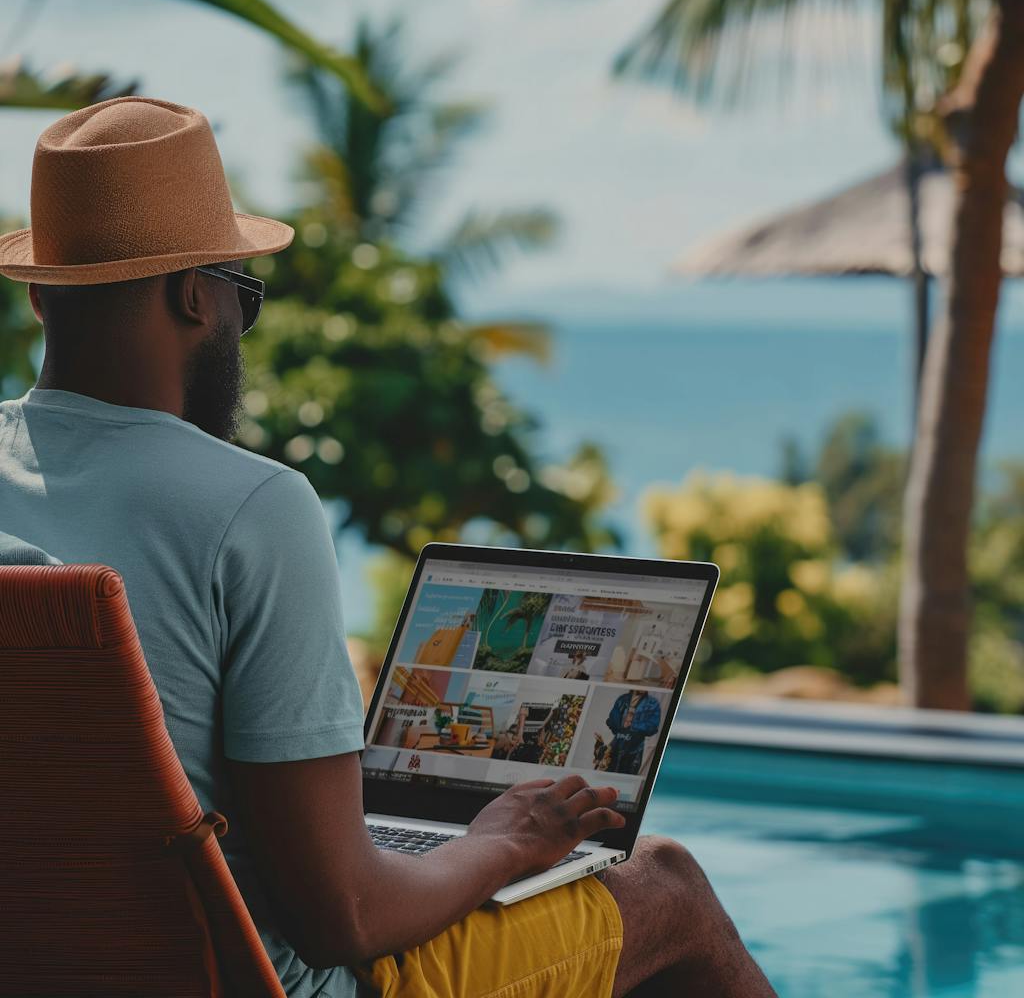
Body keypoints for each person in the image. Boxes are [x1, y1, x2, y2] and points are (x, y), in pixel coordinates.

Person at [0, 97, 776, 998]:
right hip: (270, 985)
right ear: (194, 295)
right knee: (669, 886)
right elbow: (346, 922)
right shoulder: (252, 509)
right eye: (241, 295)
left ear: (40, 294)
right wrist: (501, 843)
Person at [606, 691, 663, 775]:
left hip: (634, 751)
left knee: (627, 776)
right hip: (615, 746)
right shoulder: (623, 699)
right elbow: (612, 721)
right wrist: (620, 724)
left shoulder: (653, 703)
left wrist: (632, 724)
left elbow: (652, 727)